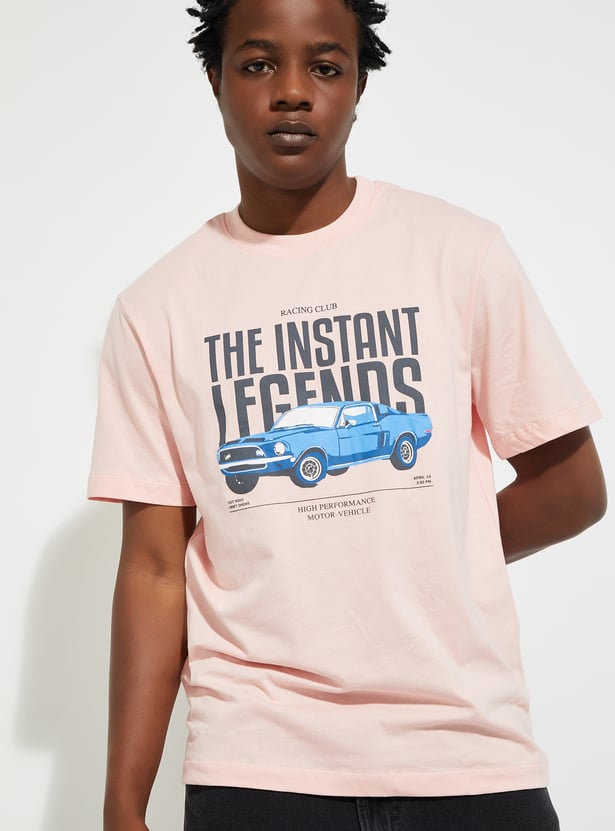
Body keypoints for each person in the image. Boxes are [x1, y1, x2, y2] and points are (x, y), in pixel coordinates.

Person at [88, 1, 607, 829]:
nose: (291, 91)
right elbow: (153, 569)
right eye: (258, 63)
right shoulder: (158, 308)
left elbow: (571, 489)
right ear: (214, 80)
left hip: (467, 752)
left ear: (359, 84)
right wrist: (122, 802)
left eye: (325, 66)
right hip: (257, 764)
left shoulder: (458, 253)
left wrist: (433, 545)